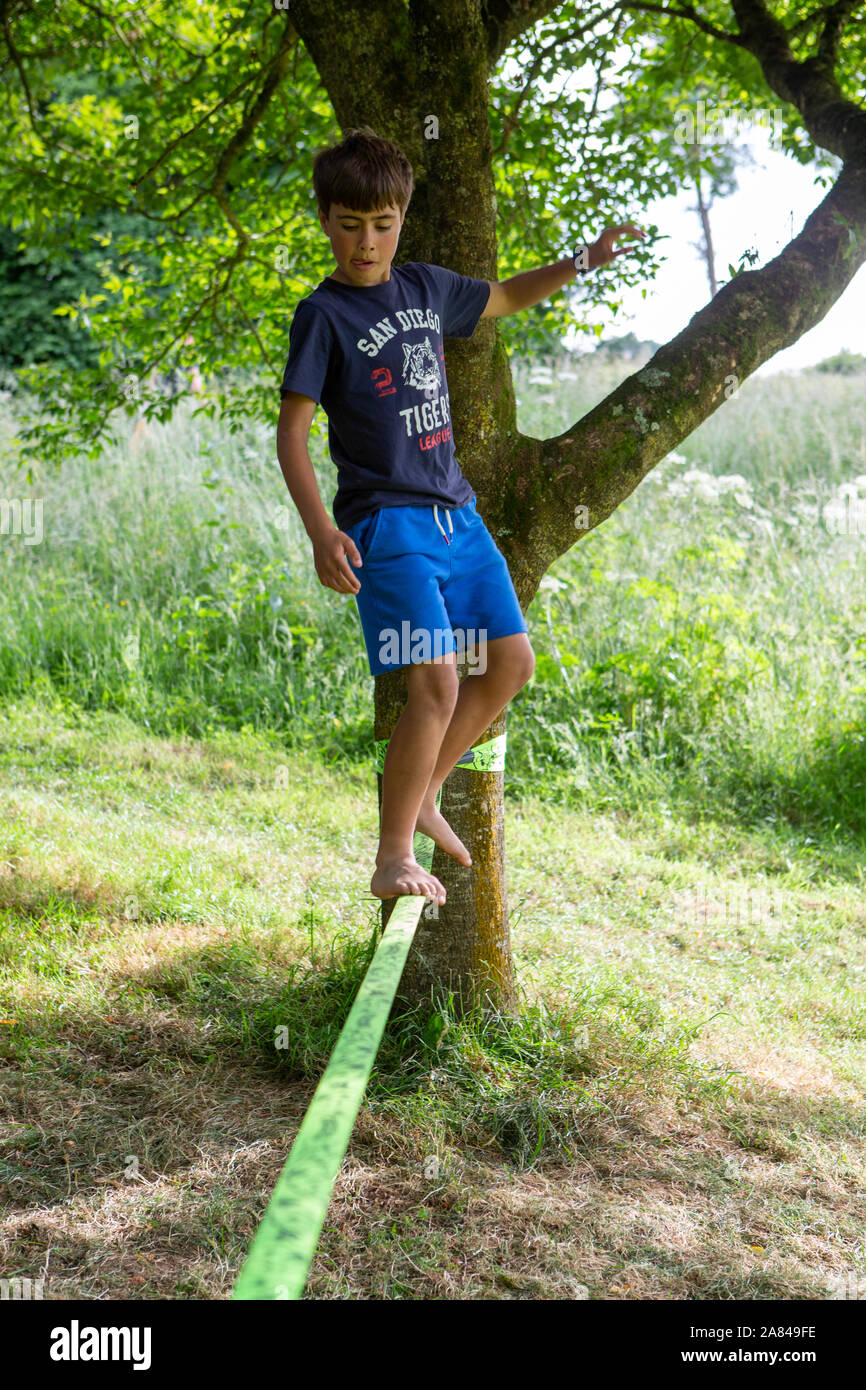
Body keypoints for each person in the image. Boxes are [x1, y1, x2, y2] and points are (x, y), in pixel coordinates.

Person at [277, 126, 644, 906]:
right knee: (436, 682)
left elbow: (505, 297)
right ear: (325, 221)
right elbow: (292, 434)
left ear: (401, 219)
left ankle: (423, 795)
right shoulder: (323, 315)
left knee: (509, 664)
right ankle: (390, 854)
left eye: (381, 224)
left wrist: (584, 261)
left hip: (459, 520)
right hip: (389, 527)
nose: (366, 243)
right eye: (349, 225)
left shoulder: (426, 289)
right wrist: (321, 532)